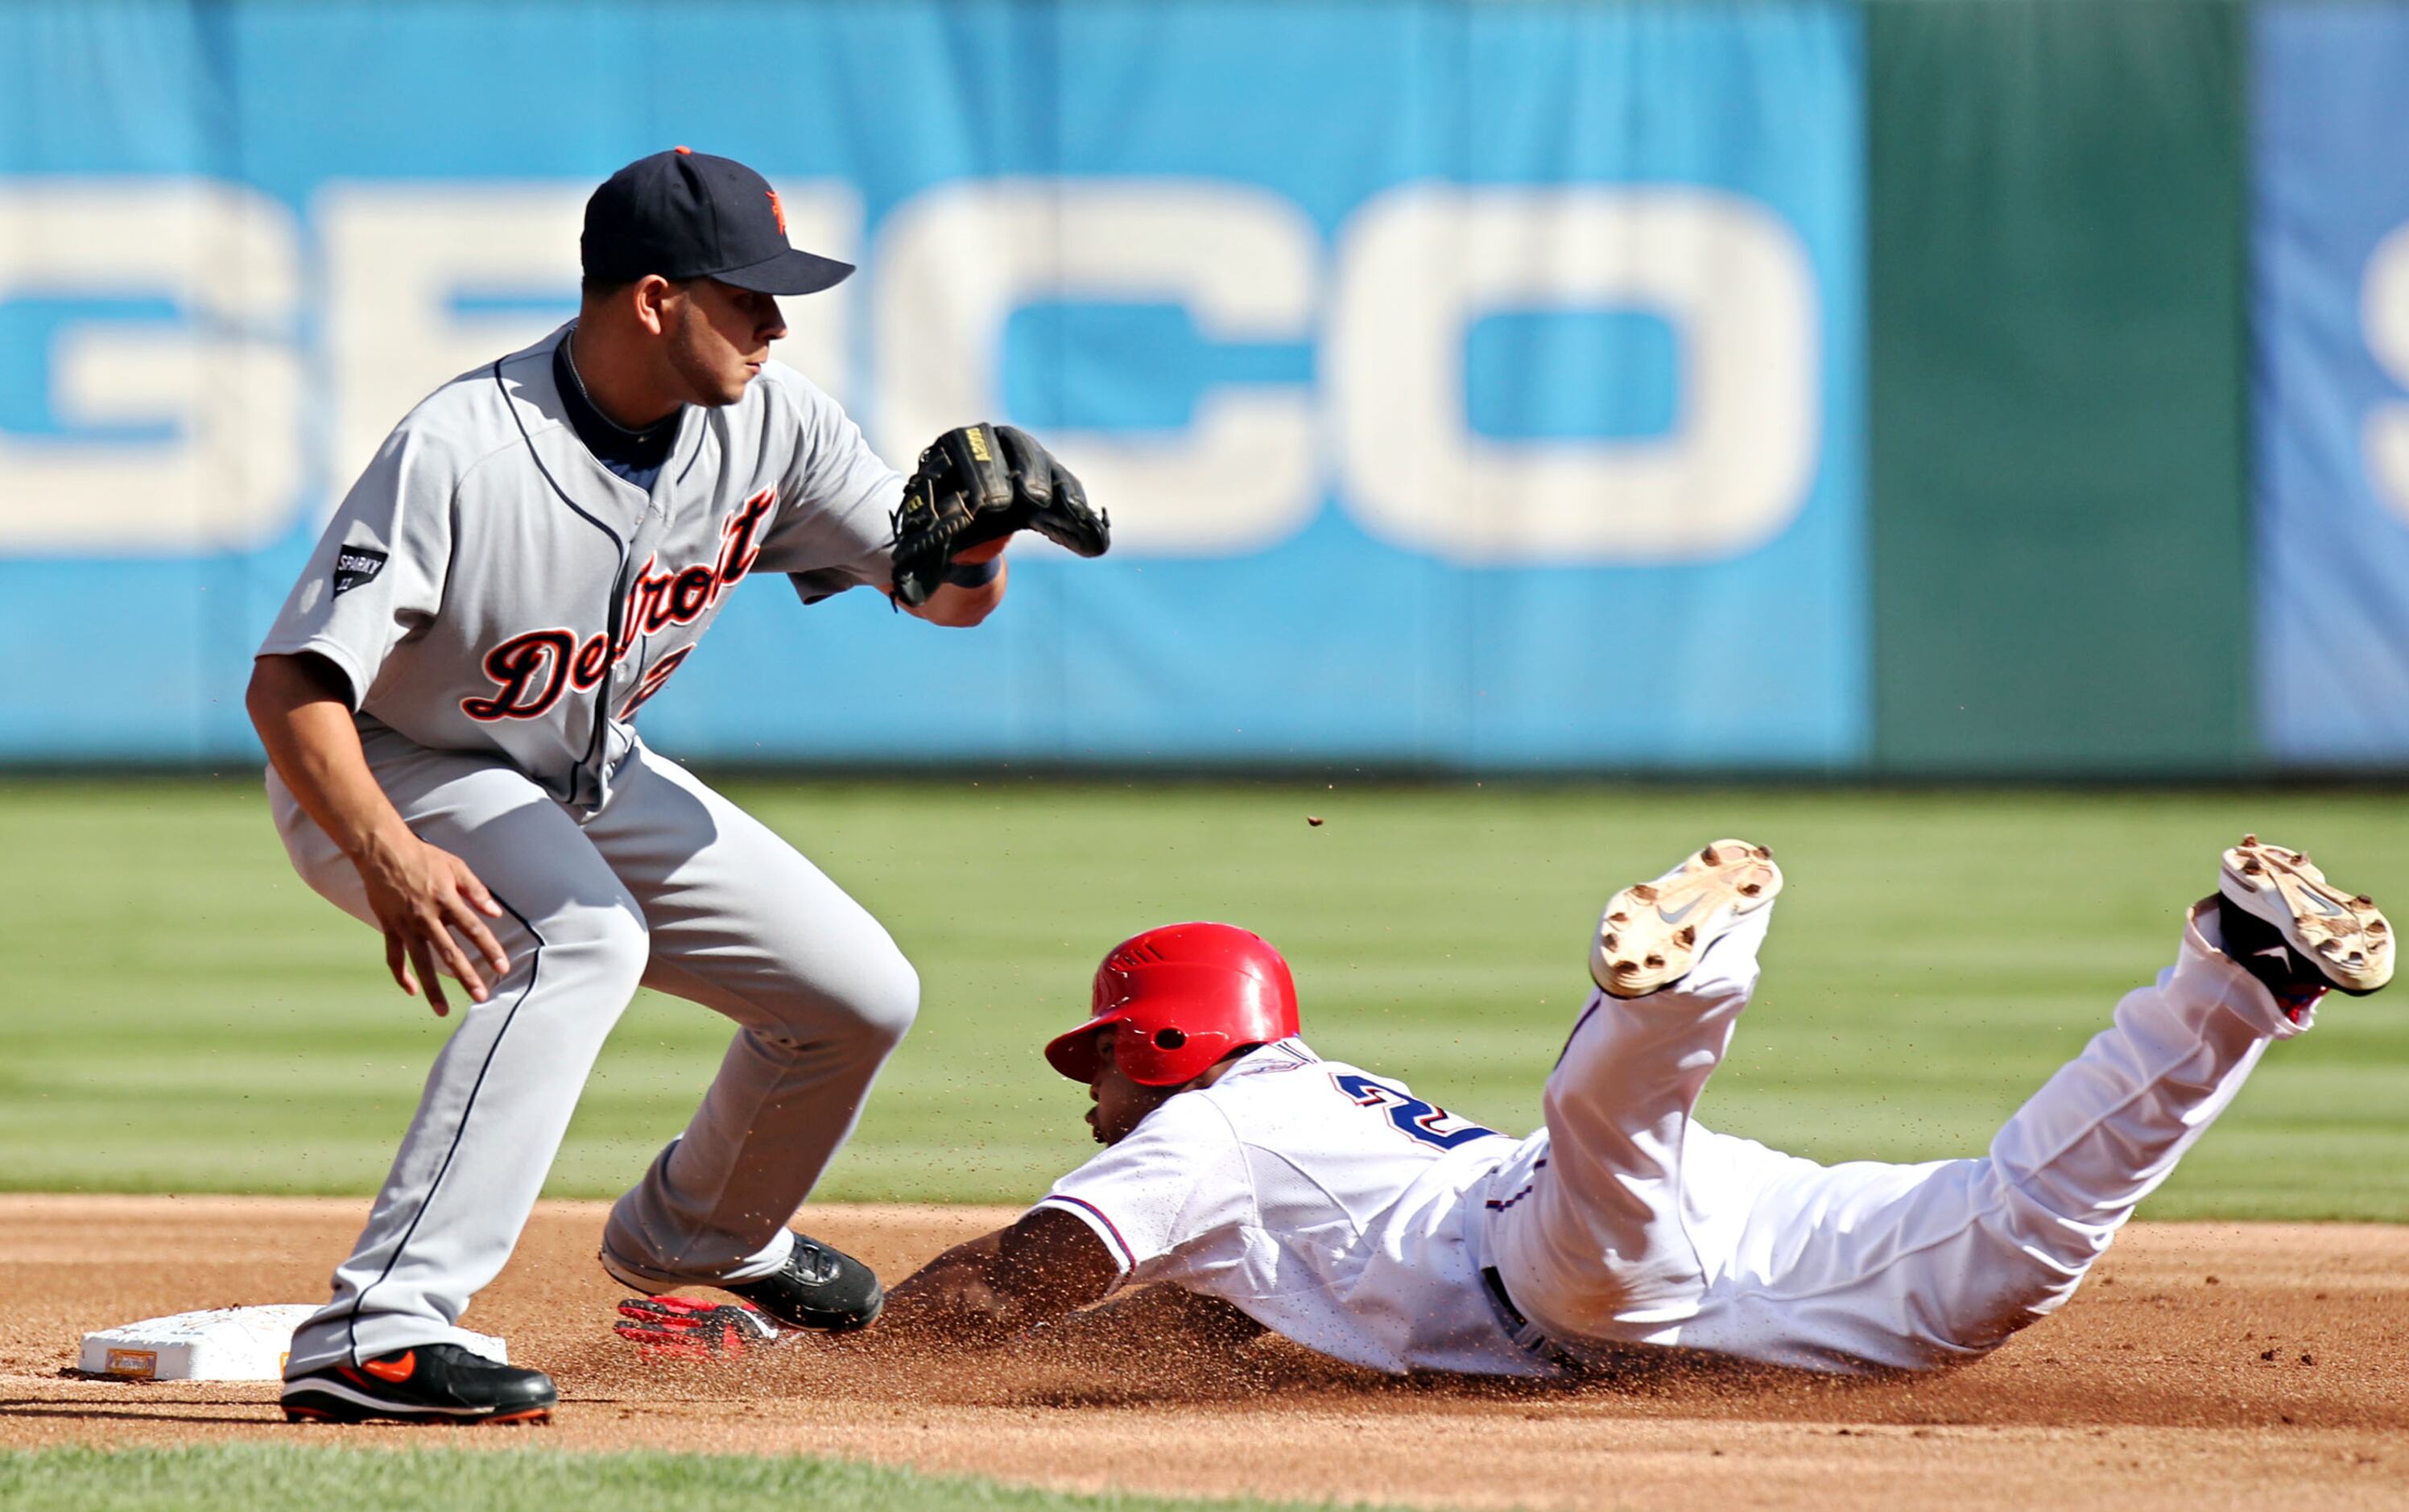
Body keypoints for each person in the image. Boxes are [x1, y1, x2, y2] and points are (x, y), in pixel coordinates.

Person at [254, 147, 1092, 1425]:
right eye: (747, 293)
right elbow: (289, 688)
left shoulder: (773, 420)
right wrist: (386, 849)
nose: (775, 320)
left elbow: (935, 593)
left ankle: (696, 1238)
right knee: (581, 939)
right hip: (390, 767)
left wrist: (977, 544)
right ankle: (377, 1324)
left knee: (858, 993)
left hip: (584, 766)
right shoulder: (464, 449)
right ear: (653, 300)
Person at [627, 836, 2388, 1377]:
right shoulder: (1301, 1112)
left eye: (1100, 1053)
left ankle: (1697, 973)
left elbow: (1023, 1281)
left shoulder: (1204, 1130)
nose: (1090, 1089)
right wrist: (809, 1296)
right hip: (1717, 1230)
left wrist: (838, 1367)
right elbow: (1202, 1336)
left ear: (1159, 1045)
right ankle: (2234, 978)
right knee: (2009, 1254)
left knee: (1604, 1152)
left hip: (1554, 1268)